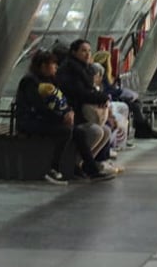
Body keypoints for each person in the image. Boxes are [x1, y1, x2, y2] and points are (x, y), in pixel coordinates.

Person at [16, 50, 115, 183]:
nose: (56, 67)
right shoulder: (30, 82)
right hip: (30, 121)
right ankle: (54, 169)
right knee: (65, 131)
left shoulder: (50, 80)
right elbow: (39, 107)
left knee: (79, 133)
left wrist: (69, 112)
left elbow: (62, 100)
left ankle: (90, 170)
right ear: (43, 66)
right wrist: (61, 118)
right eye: (53, 64)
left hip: (46, 119)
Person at [92, 49, 157, 140]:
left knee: (136, 103)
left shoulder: (101, 72)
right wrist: (121, 92)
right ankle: (143, 130)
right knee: (135, 105)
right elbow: (107, 90)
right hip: (110, 98)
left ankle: (142, 130)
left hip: (111, 96)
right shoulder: (102, 72)